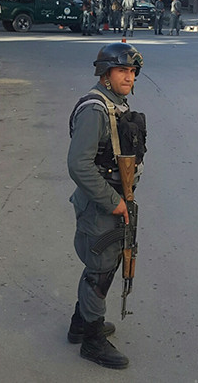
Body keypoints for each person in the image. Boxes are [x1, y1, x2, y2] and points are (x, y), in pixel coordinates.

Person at [67, 43, 146, 370]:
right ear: (105, 74)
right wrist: (112, 201)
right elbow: (78, 164)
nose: (128, 77)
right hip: (101, 205)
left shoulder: (117, 104)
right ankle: (93, 340)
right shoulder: (96, 110)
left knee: (108, 263)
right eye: (121, 71)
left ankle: (80, 323)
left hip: (116, 200)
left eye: (131, 72)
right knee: (99, 271)